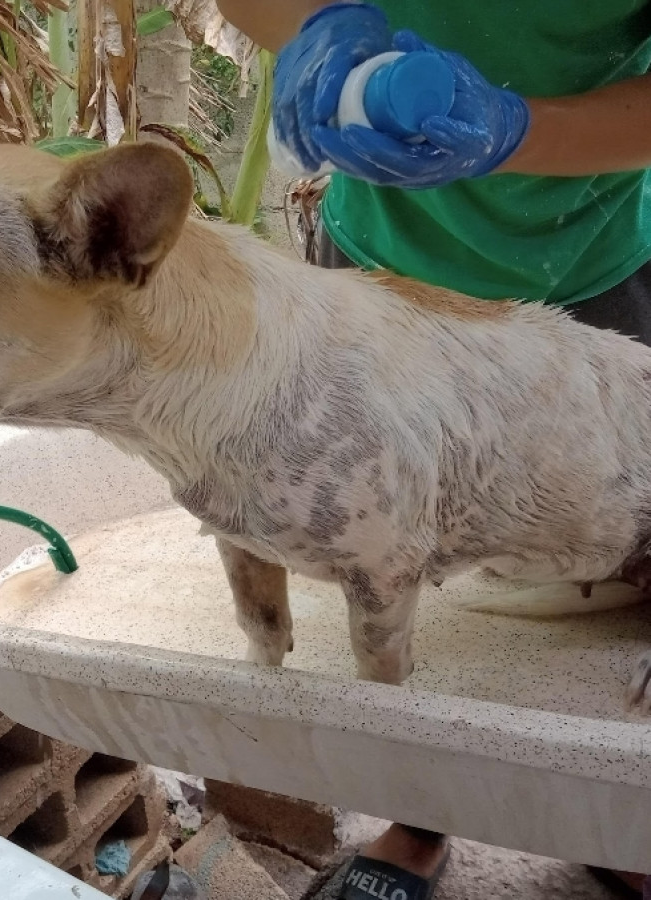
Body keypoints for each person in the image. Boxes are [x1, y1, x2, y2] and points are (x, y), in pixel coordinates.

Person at [215, 1, 651, 897]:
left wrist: (517, 128)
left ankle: (622, 815)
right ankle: (417, 817)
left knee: (629, 531)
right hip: (379, 274)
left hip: (587, 256)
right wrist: (313, 26)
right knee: (391, 554)